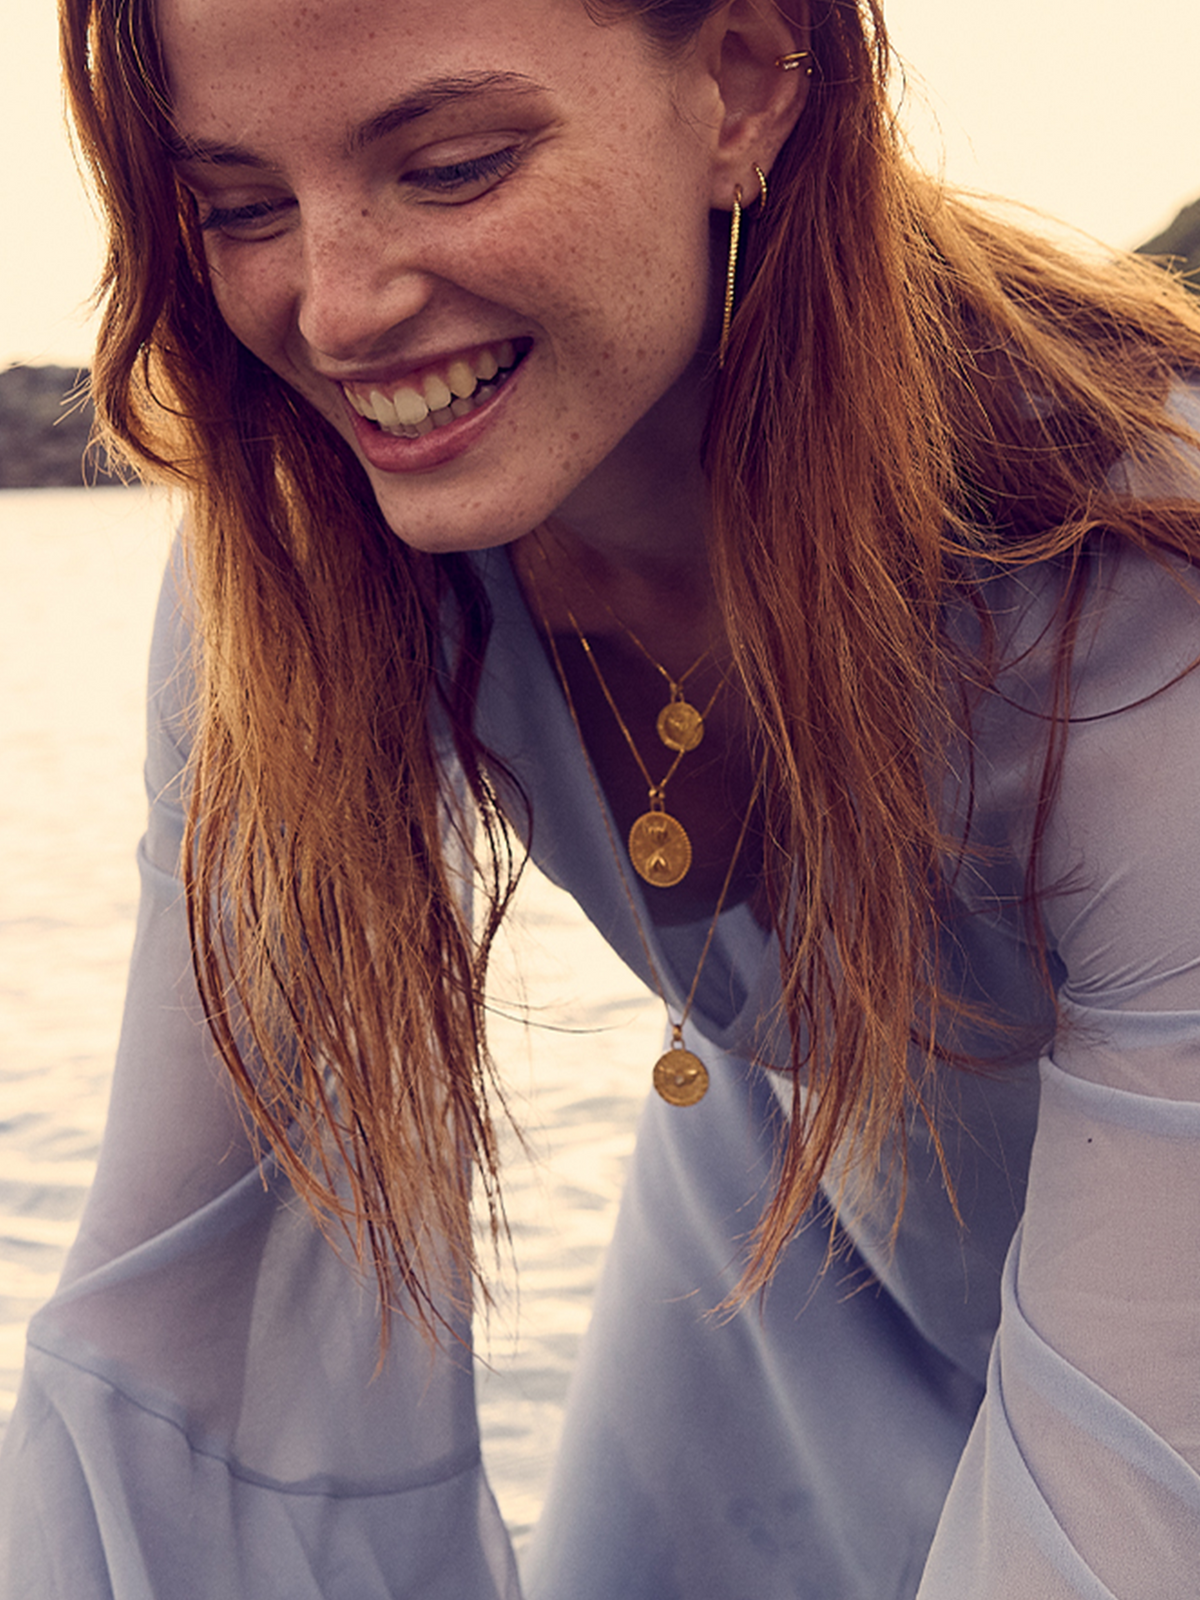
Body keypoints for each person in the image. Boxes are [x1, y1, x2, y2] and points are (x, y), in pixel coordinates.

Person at [3, 0, 1200, 1594]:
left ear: (743, 82)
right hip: (794, 1242)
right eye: (239, 203)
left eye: (452, 165)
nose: (338, 308)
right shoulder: (308, 565)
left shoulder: (1145, 598)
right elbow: (176, 1326)